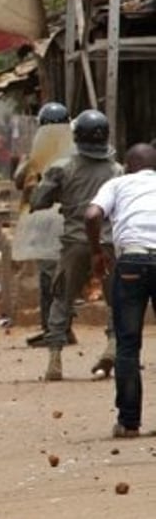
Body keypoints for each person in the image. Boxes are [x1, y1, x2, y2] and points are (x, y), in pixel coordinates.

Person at [31, 110, 123, 381]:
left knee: (62, 298)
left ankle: (55, 359)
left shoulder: (62, 167)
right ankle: (113, 345)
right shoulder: (116, 170)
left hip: (75, 242)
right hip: (108, 242)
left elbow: (39, 202)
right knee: (115, 299)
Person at [86, 144, 156, 438]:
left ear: (127, 166)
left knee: (127, 344)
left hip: (131, 261)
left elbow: (91, 215)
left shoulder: (117, 183)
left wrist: (96, 253)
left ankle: (129, 422)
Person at [14, 101, 71, 346]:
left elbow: (18, 180)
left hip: (47, 223)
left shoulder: (37, 155)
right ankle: (60, 327)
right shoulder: (79, 150)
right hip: (73, 222)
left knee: (49, 278)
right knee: (65, 278)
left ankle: (54, 330)